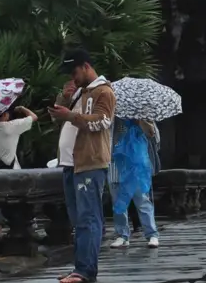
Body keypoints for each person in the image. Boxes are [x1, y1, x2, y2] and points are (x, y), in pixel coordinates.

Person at [49, 48, 116, 283]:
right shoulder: (78, 92)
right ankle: (80, 268)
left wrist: (69, 115)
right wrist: (63, 100)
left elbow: (101, 122)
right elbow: (57, 118)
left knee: (88, 218)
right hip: (71, 164)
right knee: (78, 220)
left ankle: (85, 271)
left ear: (86, 67)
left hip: (90, 163)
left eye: (74, 72)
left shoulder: (104, 91)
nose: (72, 77)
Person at [0, 105, 38, 236]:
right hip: (13, 174)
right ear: (5, 115)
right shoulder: (11, 127)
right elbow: (34, 117)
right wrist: (22, 109)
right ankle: (28, 227)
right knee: (20, 202)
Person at [109, 118, 160, 249]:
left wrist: (142, 122)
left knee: (142, 200)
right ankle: (122, 235)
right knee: (118, 202)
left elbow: (155, 139)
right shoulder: (111, 118)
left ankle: (152, 234)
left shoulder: (143, 116)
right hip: (115, 164)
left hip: (136, 166)